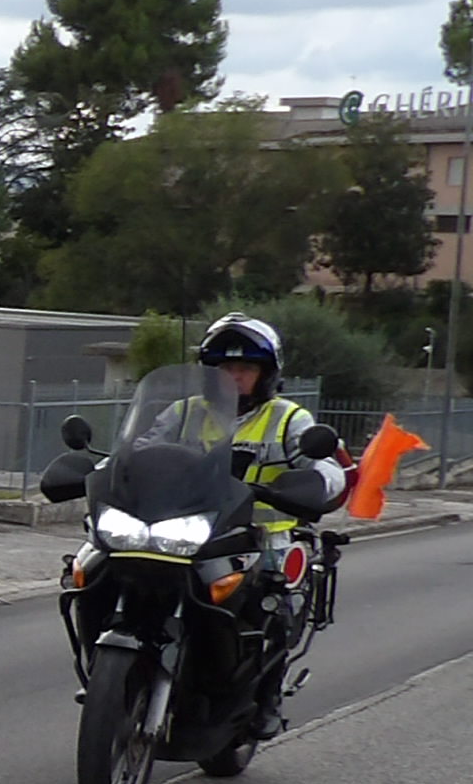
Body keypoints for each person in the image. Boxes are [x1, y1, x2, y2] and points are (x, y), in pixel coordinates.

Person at [148, 315, 348, 737]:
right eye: (225, 368)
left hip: (263, 537)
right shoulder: (183, 413)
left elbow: (328, 467)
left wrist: (316, 483)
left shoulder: (289, 418)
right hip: (188, 530)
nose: (234, 377)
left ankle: (267, 694)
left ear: (265, 374)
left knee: (274, 602)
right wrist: (105, 470)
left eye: (245, 368)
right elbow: (142, 450)